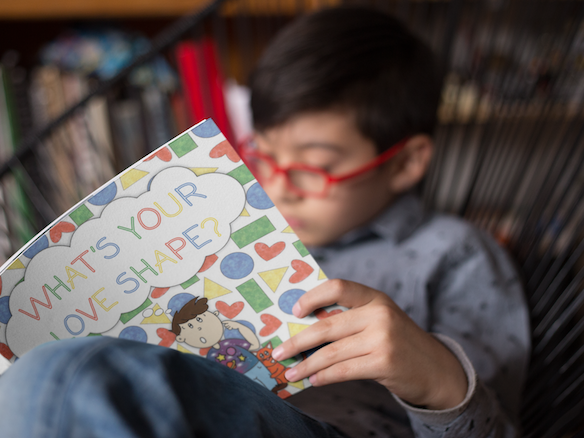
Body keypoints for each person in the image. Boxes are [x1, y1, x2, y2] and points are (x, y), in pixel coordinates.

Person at [0, 6, 530, 438]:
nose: (277, 186)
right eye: (266, 157)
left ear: (405, 162)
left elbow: (498, 427)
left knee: (60, 378)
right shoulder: (224, 226)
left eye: (313, 166)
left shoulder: (454, 251)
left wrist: (434, 375)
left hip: (328, 427)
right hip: (174, 413)